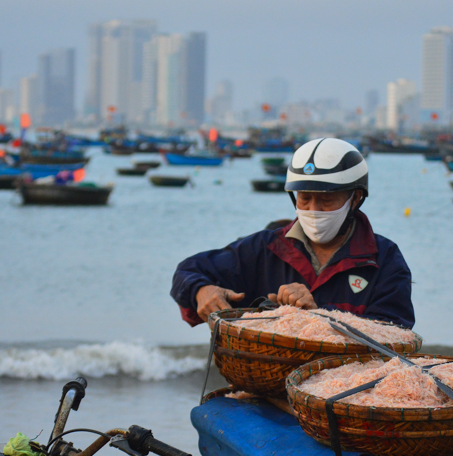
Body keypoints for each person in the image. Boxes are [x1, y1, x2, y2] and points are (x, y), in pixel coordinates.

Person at [171, 138, 414, 328]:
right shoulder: (265, 248)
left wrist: (319, 314)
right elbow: (189, 270)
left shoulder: (385, 260)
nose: (313, 210)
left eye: (326, 200)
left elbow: (393, 336)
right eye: (305, 199)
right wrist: (202, 291)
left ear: (355, 198)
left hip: (347, 386)